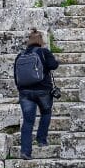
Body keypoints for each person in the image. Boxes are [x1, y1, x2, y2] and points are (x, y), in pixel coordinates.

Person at [14, 28, 59, 160]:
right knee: (46, 113)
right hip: (43, 91)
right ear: (41, 41)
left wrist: (21, 90)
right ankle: (41, 140)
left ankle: (25, 152)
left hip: (25, 93)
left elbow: (16, 76)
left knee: (28, 122)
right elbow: (53, 66)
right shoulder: (44, 52)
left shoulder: (20, 55)